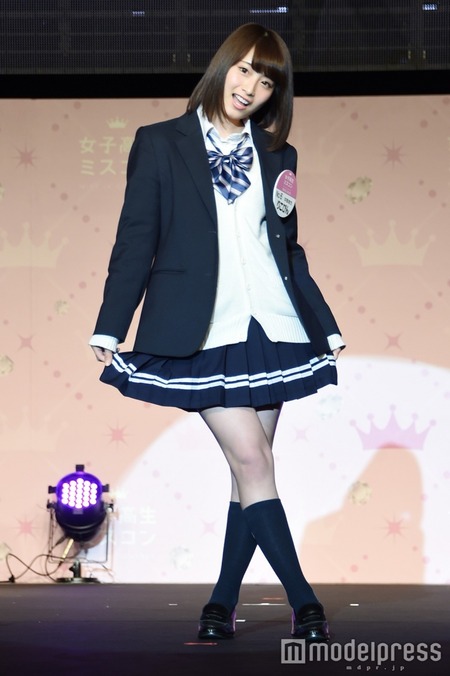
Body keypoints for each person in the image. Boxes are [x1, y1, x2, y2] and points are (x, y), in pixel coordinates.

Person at [90, 23, 344, 642]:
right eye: (244, 69)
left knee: (248, 472)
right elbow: (136, 239)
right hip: (200, 329)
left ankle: (220, 605)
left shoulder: (279, 155)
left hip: (272, 324)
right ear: (223, 66)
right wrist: (111, 324)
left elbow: (286, 249)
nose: (250, 86)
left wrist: (324, 323)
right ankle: (306, 601)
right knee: (253, 459)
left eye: (266, 81)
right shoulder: (160, 143)